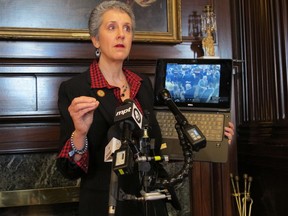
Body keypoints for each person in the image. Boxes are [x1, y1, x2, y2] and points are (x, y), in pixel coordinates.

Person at [56, 1, 235, 216]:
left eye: (127, 28)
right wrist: (80, 134)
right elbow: (69, 170)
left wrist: (215, 135)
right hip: (105, 205)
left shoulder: (143, 84)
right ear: (95, 39)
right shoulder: (74, 89)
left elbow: (160, 143)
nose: (121, 34)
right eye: (112, 27)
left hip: (151, 204)